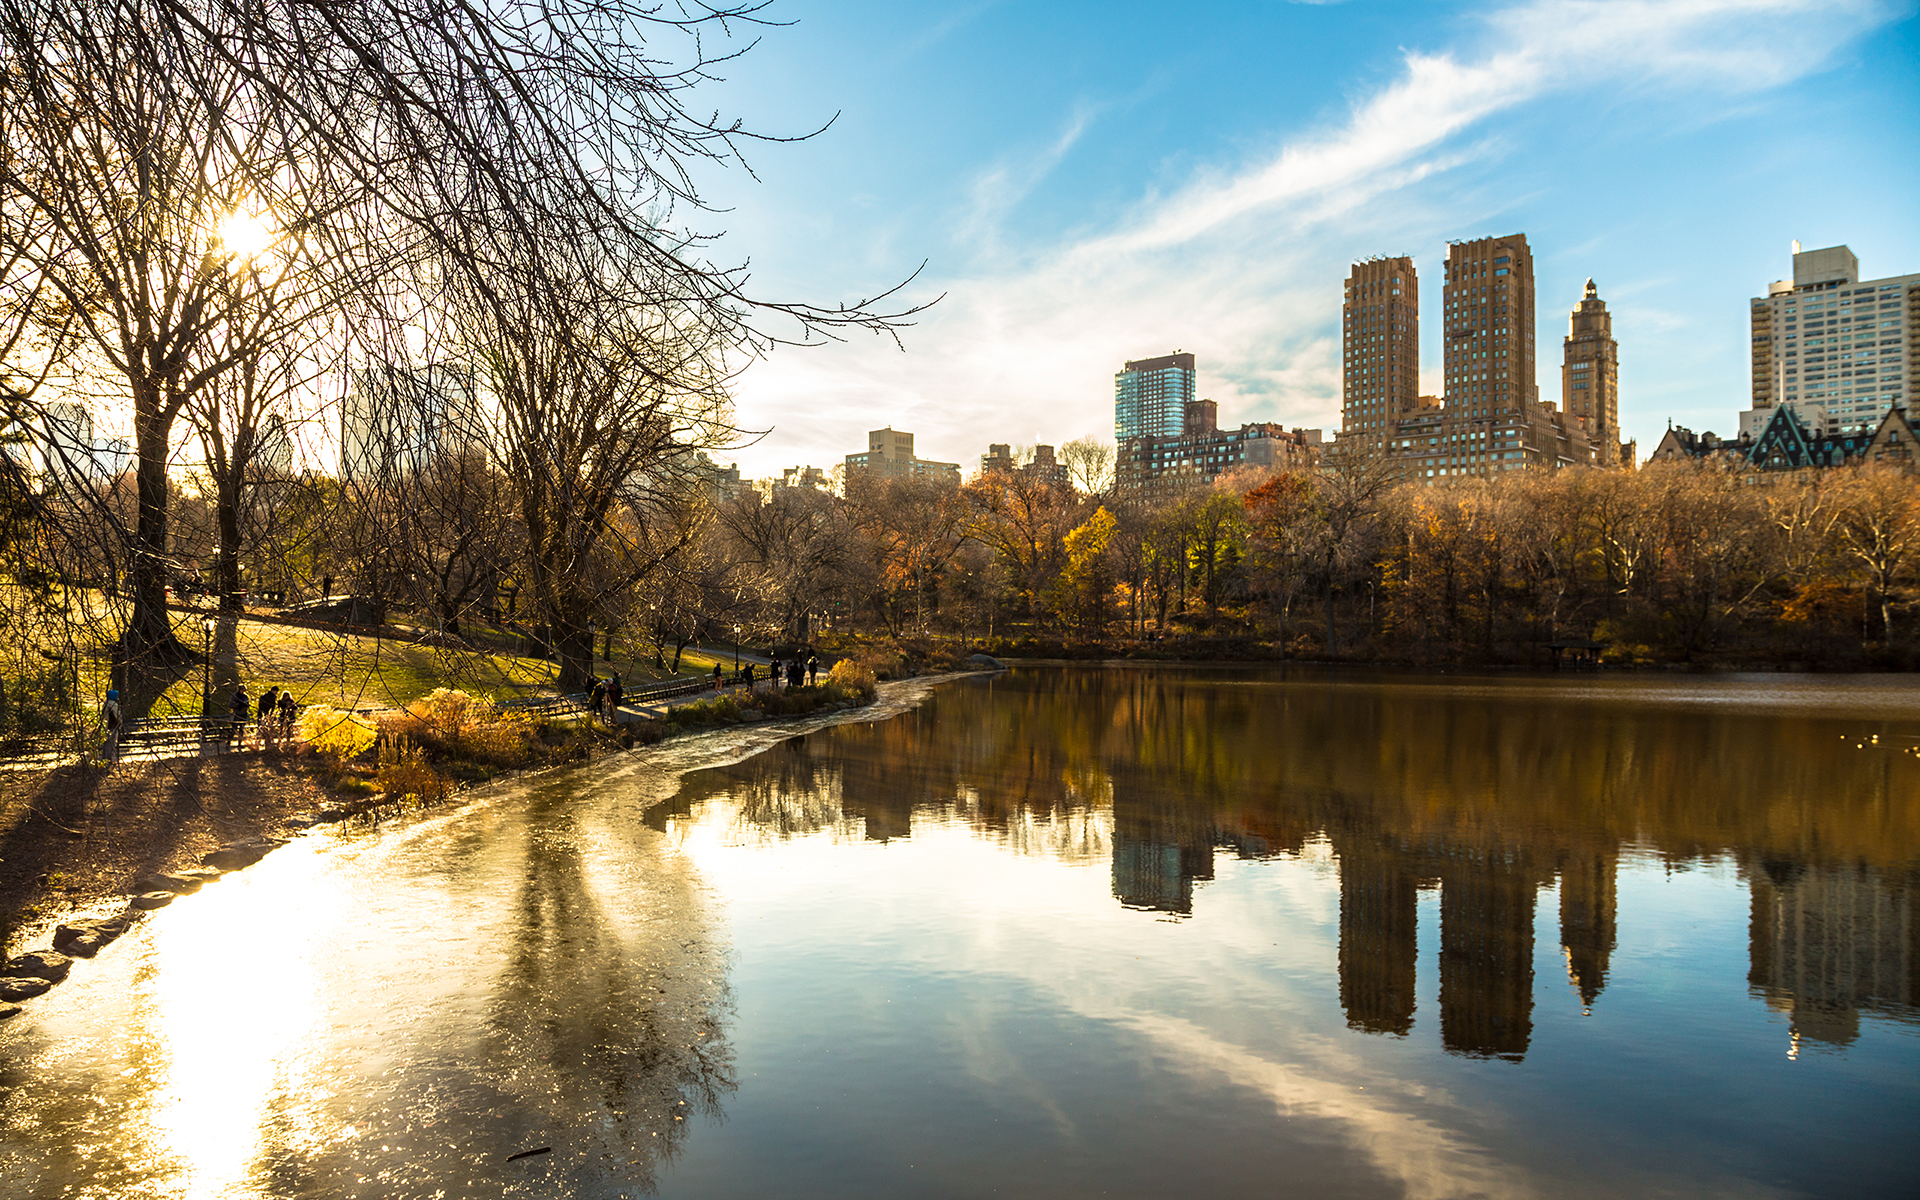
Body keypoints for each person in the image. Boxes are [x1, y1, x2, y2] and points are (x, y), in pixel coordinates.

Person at [100, 688, 124, 765]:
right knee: (112, 743)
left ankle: (104, 758)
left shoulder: (105, 704)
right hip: (112, 726)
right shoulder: (114, 705)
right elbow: (116, 716)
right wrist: (120, 723)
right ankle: (109, 759)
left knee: (105, 742)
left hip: (105, 725)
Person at [230, 685, 251, 751]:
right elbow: (230, 705)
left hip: (243, 714)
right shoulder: (234, 696)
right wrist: (238, 705)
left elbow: (248, 704)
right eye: (241, 690)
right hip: (237, 714)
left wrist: (246, 705)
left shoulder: (245, 697)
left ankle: (240, 743)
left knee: (242, 730)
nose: (242, 692)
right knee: (234, 729)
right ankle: (228, 742)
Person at [258, 686, 280, 750]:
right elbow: (262, 706)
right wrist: (266, 714)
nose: (276, 693)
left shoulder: (273, 697)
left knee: (268, 730)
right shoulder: (266, 697)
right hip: (264, 715)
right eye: (276, 691)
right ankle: (261, 743)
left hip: (268, 715)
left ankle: (267, 743)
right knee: (263, 730)